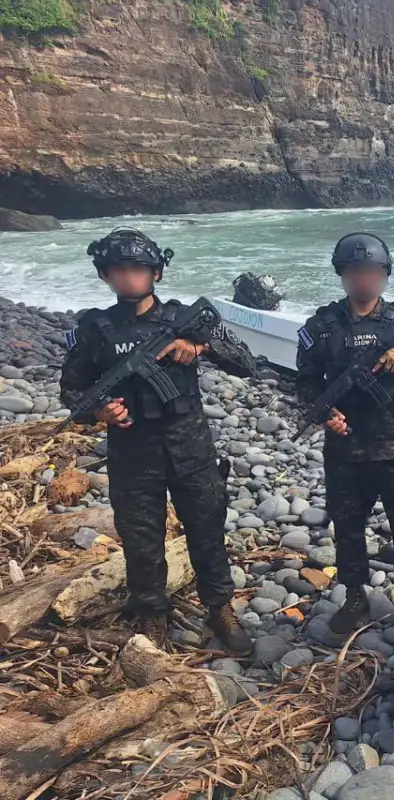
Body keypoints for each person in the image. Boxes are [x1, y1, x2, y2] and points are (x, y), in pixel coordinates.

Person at [59, 228, 256, 653]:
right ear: (104, 276)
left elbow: (246, 363)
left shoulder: (185, 319)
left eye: (138, 269)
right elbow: (72, 392)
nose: (129, 278)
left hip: (190, 448)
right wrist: (98, 412)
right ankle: (151, 614)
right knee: (142, 537)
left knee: (206, 529)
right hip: (132, 453)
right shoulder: (94, 328)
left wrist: (198, 346)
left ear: (157, 274)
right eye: (119, 270)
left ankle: (220, 607)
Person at [295, 233, 394, 635]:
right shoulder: (321, 327)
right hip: (345, 448)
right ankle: (354, 596)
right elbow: (307, 384)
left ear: (384, 275)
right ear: (342, 276)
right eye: (354, 272)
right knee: (347, 529)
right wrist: (326, 413)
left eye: (371, 272)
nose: (363, 279)